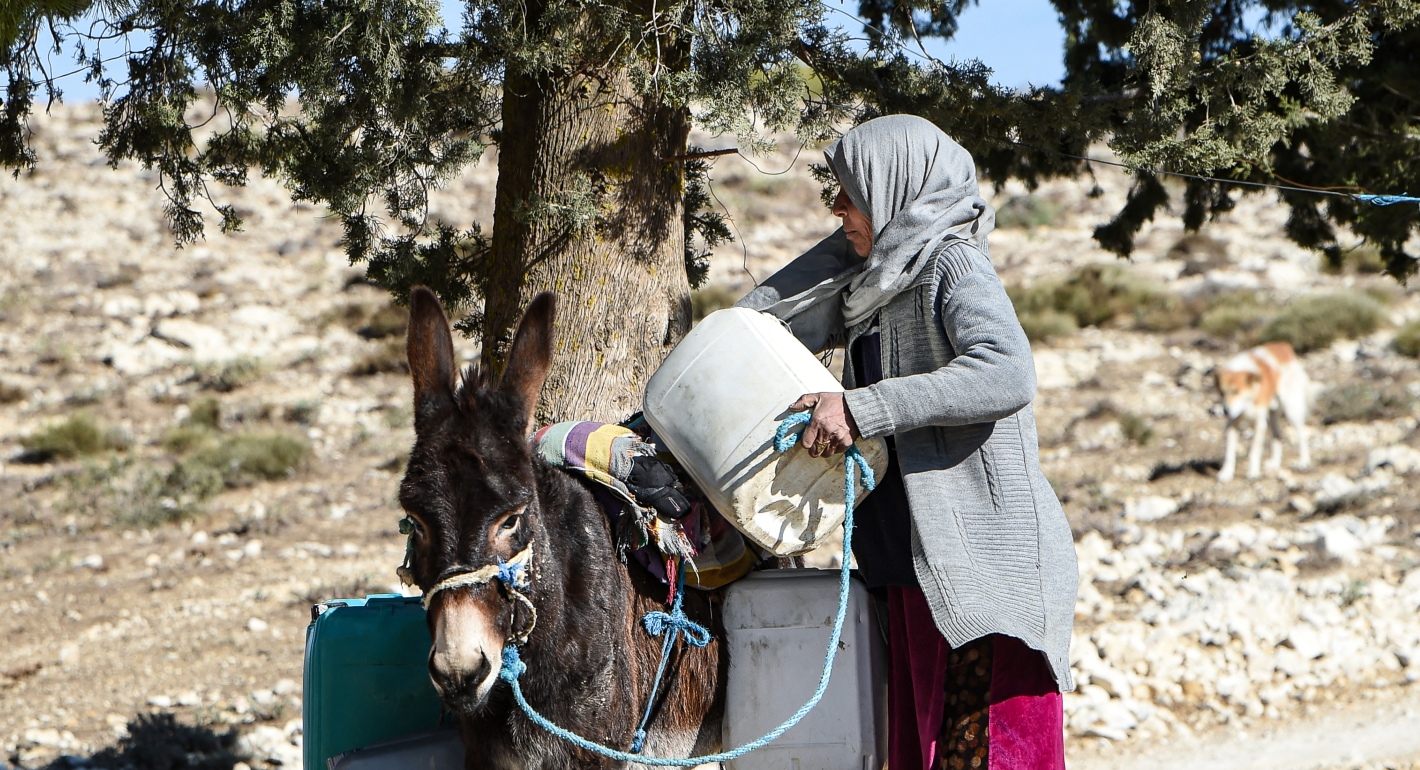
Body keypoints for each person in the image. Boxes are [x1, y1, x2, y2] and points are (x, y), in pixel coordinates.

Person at [736, 114, 1077, 770]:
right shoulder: (876, 283)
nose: (837, 209)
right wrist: (862, 235)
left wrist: (863, 409)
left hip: (978, 578)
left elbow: (1007, 371)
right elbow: (765, 322)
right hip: (909, 572)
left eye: (851, 194)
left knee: (980, 759)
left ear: (896, 190)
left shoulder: (952, 262)